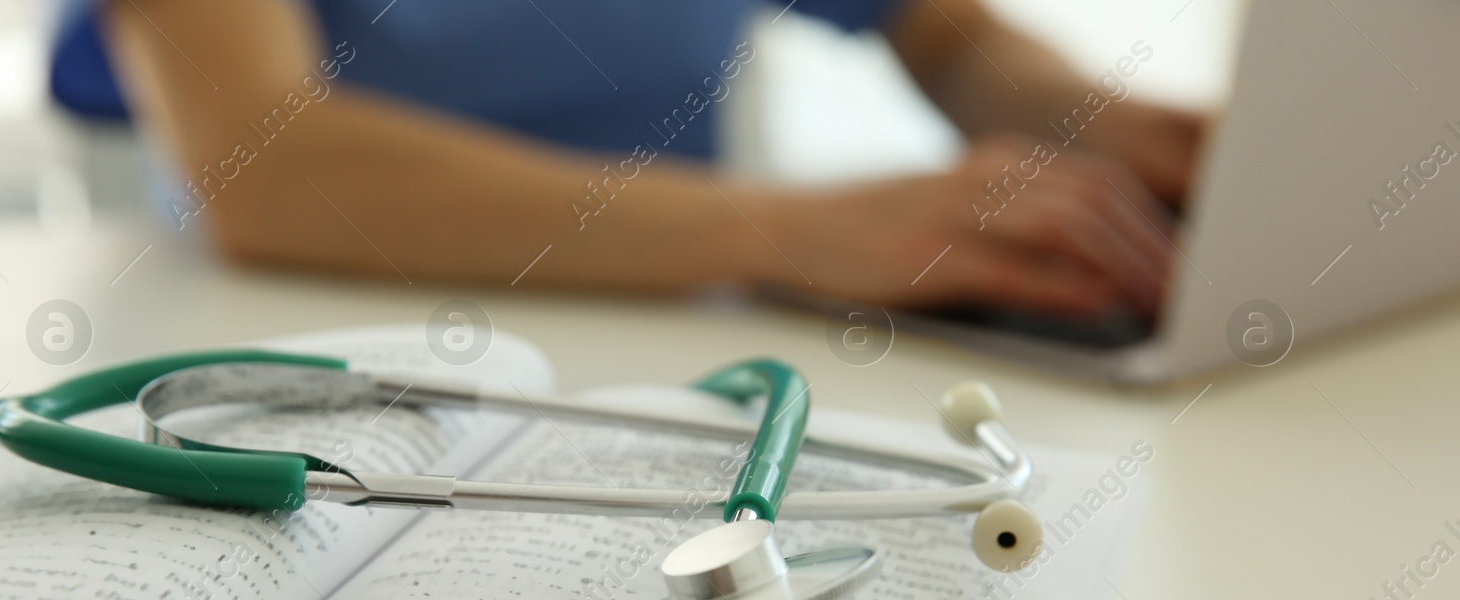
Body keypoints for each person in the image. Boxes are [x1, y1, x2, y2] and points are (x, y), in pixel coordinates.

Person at [58, 0, 1202, 318]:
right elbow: (263, 165)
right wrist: (786, 227)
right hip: (305, 347)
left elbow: (946, 33)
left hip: (678, 347)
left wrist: (1107, 122)